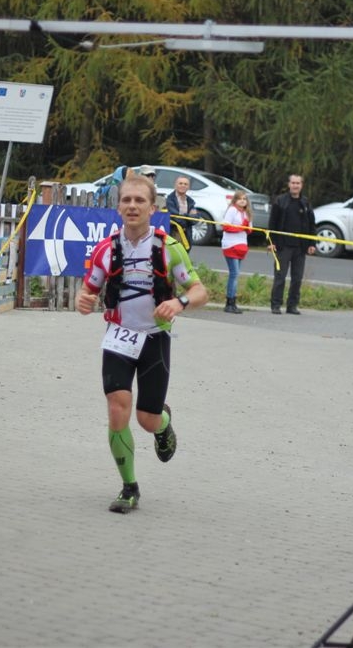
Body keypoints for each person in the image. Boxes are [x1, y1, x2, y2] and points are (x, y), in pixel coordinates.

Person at [75, 174, 208, 513]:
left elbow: (199, 291)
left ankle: (162, 423)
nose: (132, 206)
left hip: (154, 339)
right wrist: (83, 300)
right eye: (126, 200)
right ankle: (129, 487)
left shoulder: (168, 248)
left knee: (146, 419)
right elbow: (88, 290)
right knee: (117, 407)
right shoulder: (106, 249)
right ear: (118, 206)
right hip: (118, 338)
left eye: (139, 200)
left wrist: (179, 303)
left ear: (152, 208)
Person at [267, 174, 316, 314]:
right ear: (289, 184)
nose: (295, 185)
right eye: (293, 183)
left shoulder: (305, 202)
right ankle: (276, 305)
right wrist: (271, 242)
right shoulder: (280, 201)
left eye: (298, 183)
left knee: (297, 278)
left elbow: (312, 224)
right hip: (283, 246)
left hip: (300, 247)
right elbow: (272, 223)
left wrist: (312, 243)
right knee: (280, 277)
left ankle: (292, 305)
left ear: (302, 185)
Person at [221, 190, 252, 314]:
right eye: (240, 199)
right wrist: (241, 227)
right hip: (230, 245)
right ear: (235, 200)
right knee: (234, 274)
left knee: (236, 274)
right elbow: (226, 227)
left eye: (244, 199)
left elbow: (250, 229)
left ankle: (233, 303)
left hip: (242, 245)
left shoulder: (247, 213)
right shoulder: (232, 210)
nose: (242, 201)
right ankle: (230, 302)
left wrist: (246, 226)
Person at [165, 174, 196, 247]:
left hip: (187, 234)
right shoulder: (170, 199)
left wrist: (185, 217)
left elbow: (195, 219)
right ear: (175, 185)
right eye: (180, 183)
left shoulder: (190, 201)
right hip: (174, 232)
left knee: (185, 253)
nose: (183, 185)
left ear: (188, 187)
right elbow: (175, 217)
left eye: (185, 184)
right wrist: (188, 217)